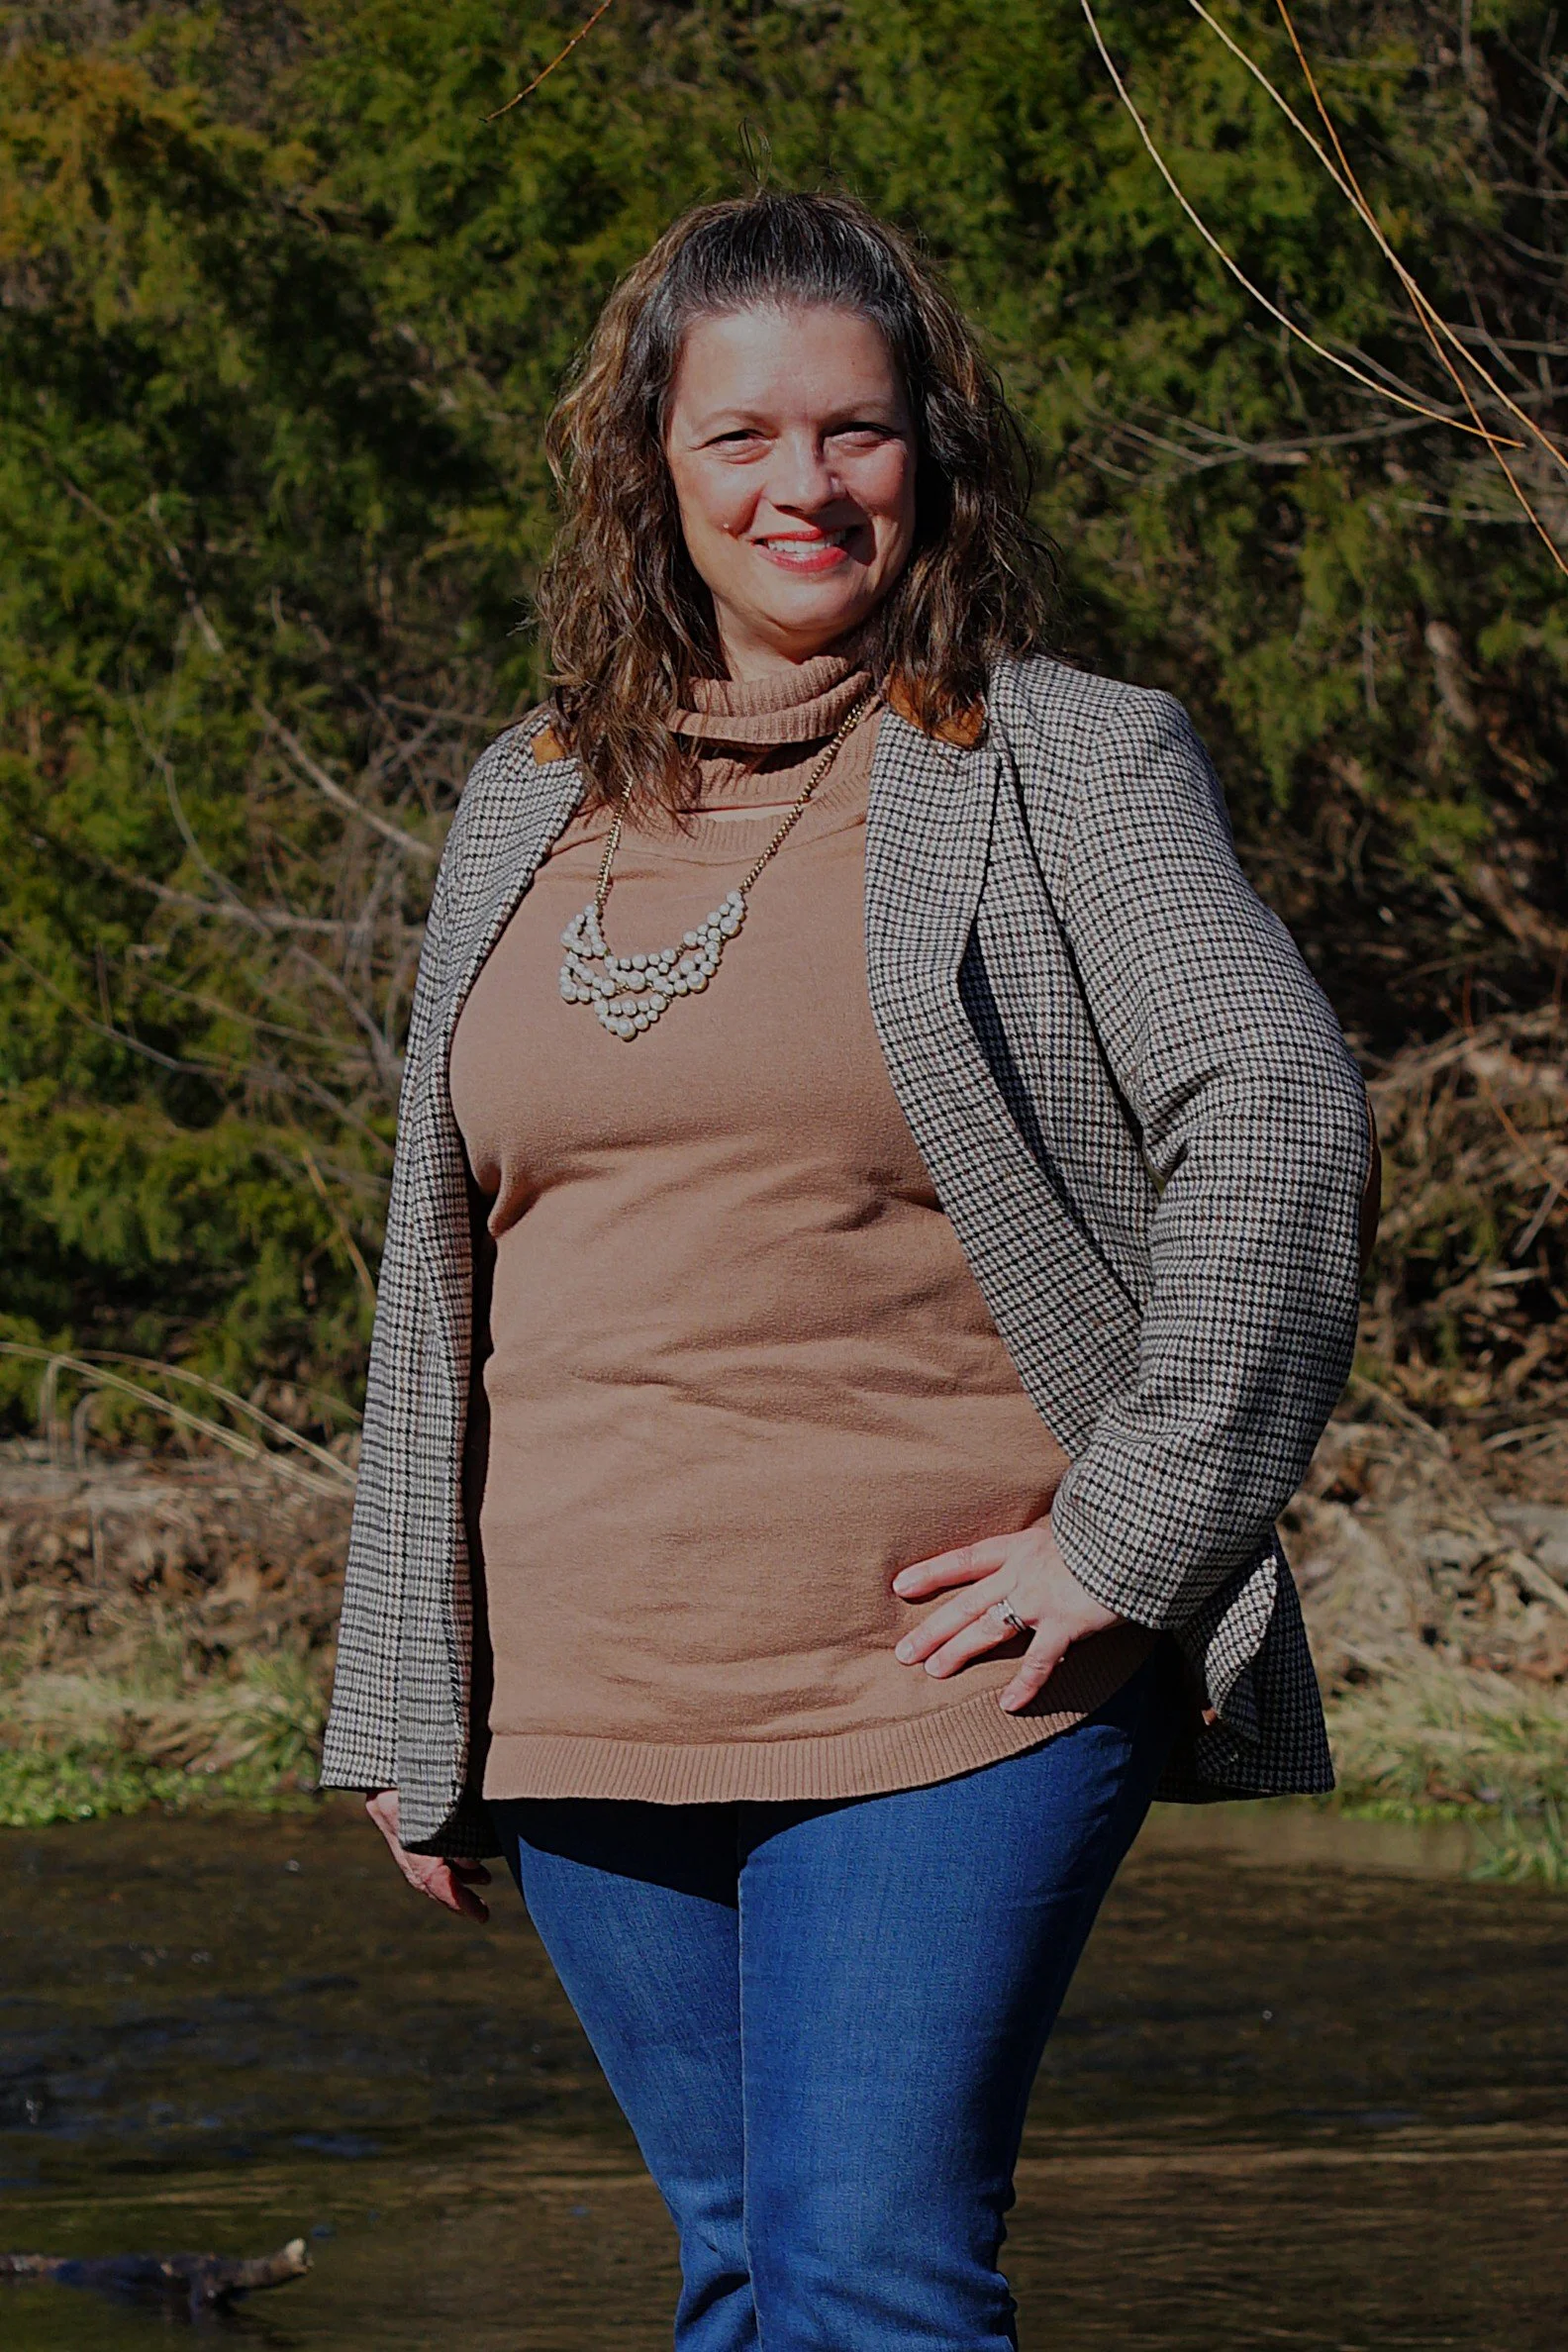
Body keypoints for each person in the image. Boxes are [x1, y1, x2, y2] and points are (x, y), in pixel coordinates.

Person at [321, 190, 1377, 2350]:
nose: (803, 485)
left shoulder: (1059, 764)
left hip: (948, 1691)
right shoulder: (517, 803)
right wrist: (404, 1690)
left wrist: (1137, 1533)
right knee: (736, 2285)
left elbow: (1276, 1120)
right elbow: (444, 1274)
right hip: (592, 1692)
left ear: (934, 455)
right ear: (648, 474)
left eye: (856, 432)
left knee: (872, 2284)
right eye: (741, 440)